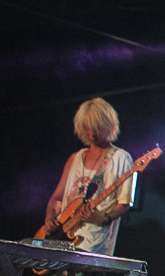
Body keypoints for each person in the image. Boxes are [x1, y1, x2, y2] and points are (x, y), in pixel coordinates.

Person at [41, 98, 135, 256]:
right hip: (61, 239)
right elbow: (57, 198)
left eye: (97, 128)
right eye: (87, 129)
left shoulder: (121, 158)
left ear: (108, 125)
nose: (91, 134)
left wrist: (104, 218)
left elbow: (124, 203)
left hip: (94, 246)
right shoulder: (75, 158)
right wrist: (49, 219)